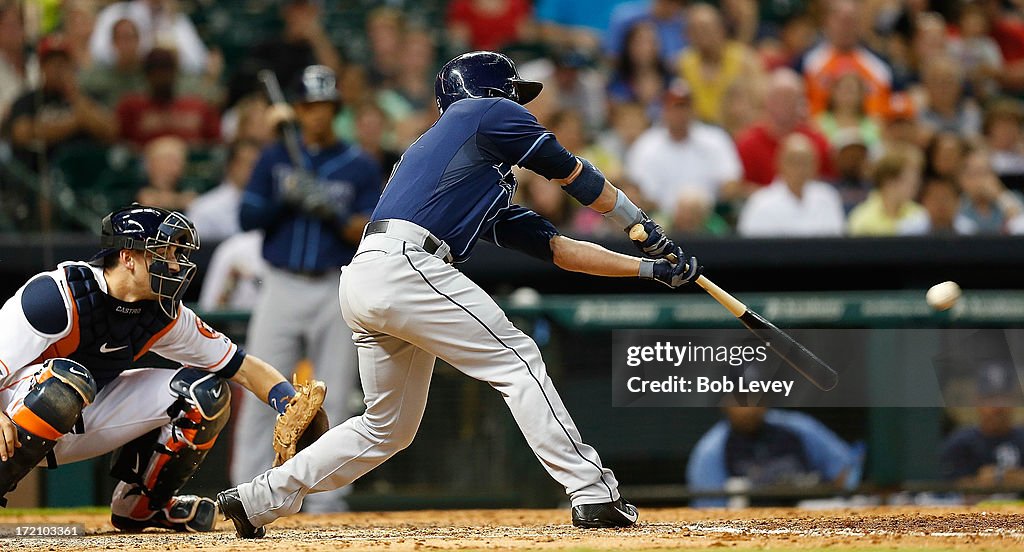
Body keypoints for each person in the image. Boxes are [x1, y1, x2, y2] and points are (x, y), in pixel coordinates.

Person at [217, 51, 701, 538]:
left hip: (367, 276)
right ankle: (593, 493)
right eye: (513, 92)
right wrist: (639, 222)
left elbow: (559, 250)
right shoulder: (483, 112)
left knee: (387, 427)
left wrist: (649, 267)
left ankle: (258, 497)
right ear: (487, 90)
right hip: (405, 265)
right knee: (518, 358)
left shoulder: (468, 167)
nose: (520, 104)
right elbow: (572, 174)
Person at [0, 205, 300, 531]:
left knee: (206, 394)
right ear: (128, 257)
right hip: (14, 417)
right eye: (165, 252)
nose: (175, 263)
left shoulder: (163, 313)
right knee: (68, 381)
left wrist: (290, 404)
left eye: (176, 253)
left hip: (77, 414)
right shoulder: (56, 295)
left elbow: (241, 367)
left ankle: (142, 507)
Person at [229, 65, 382, 513]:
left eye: (324, 107)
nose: (317, 115)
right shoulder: (275, 158)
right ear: (297, 110)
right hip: (280, 284)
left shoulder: (357, 163)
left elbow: (368, 229)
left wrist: (330, 210)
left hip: (334, 285)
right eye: (309, 107)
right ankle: (246, 490)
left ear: (335, 110)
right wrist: (288, 197)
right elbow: (247, 218)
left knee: (333, 391)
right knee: (262, 388)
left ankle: (328, 500)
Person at [687, 407, 861, 508]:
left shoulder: (798, 429)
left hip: (810, 528)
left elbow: (846, 471)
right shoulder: (711, 450)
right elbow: (710, 516)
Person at [2, 35, 117, 172]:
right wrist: (75, 122)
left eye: (63, 62)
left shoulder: (84, 97)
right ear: (42, 67)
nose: (58, 68)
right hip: (42, 175)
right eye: (52, 62)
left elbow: (111, 131)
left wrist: (75, 96)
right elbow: (21, 133)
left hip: (87, 174)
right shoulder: (29, 99)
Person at [625, 80, 742, 213]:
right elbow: (639, 192)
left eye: (684, 107)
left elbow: (731, 181)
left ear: (693, 109)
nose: (680, 113)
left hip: (708, 217)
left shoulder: (715, 139)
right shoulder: (646, 146)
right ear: (665, 110)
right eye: (675, 107)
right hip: (662, 219)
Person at [735, 68, 833, 187]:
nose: (782, 104)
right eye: (777, 98)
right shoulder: (747, 143)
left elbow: (828, 182)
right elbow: (739, 187)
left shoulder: (816, 142)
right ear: (766, 101)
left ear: (800, 102)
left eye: (789, 98)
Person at [796, 0, 892, 118]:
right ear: (827, 21)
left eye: (851, 21)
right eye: (840, 20)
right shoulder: (808, 62)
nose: (845, 27)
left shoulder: (879, 67)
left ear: (860, 24)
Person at [737, 133, 845, 237]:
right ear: (778, 163)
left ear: (815, 165)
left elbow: (837, 241)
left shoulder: (828, 197)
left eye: (806, 162)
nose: (800, 168)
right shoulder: (761, 203)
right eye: (793, 161)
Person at [115, 48, 220, 147]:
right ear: (147, 75)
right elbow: (118, 143)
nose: (163, 76)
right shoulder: (131, 107)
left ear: (175, 72)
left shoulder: (198, 106)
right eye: (156, 71)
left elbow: (216, 144)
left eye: (167, 69)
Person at [89, 0, 209, 74]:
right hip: (122, 82)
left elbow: (198, 63)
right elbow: (97, 53)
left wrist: (173, 49)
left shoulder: (177, 20)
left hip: (163, 88)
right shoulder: (116, 13)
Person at [187, 139, 262, 241]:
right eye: (249, 164)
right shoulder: (204, 209)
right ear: (231, 166)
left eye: (259, 165)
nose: (256, 170)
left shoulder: (268, 206)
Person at [848, 151, 925, 236]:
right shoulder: (861, 218)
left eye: (916, 178)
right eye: (909, 178)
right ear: (889, 181)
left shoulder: (919, 214)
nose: (915, 184)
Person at [899, 176, 977, 236]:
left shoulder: (969, 231)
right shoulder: (909, 230)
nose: (940, 204)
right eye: (935, 198)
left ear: (958, 202)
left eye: (945, 198)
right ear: (924, 202)